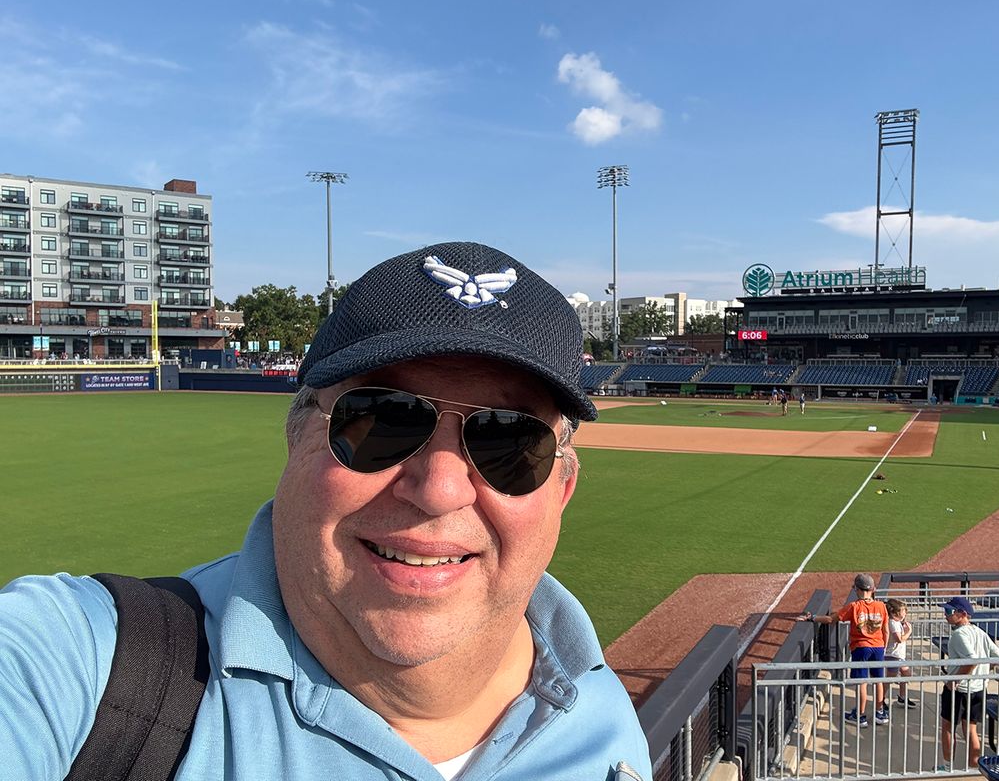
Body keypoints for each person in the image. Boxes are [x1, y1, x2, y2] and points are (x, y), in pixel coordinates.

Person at [0, 242, 652, 781]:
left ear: (560, 490)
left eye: (509, 441)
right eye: (379, 419)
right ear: (296, 437)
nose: (439, 489)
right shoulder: (92, 669)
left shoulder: (606, 731)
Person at [800, 573, 889, 726]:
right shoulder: (881, 606)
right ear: (874, 589)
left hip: (861, 648)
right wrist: (883, 648)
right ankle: (880, 713)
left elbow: (830, 619)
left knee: (861, 682)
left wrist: (812, 617)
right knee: (878, 680)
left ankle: (860, 716)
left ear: (856, 589)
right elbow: (885, 630)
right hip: (878, 647)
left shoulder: (854, 606)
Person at [937, 596, 999, 772]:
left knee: (948, 727)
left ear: (962, 614)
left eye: (949, 612)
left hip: (960, 689)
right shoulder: (980, 632)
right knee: (971, 728)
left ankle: (947, 766)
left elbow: (971, 659)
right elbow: (998, 657)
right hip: (979, 688)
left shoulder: (959, 634)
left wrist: (956, 679)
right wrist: (985, 672)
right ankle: (974, 767)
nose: (946, 615)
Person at [884, 599, 918, 708]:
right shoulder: (892, 623)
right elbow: (899, 639)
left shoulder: (897, 623)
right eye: (903, 611)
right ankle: (881, 699)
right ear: (894, 613)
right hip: (892, 655)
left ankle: (902, 697)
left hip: (898, 655)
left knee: (906, 673)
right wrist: (908, 632)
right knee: (890, 678)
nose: (905, 613)